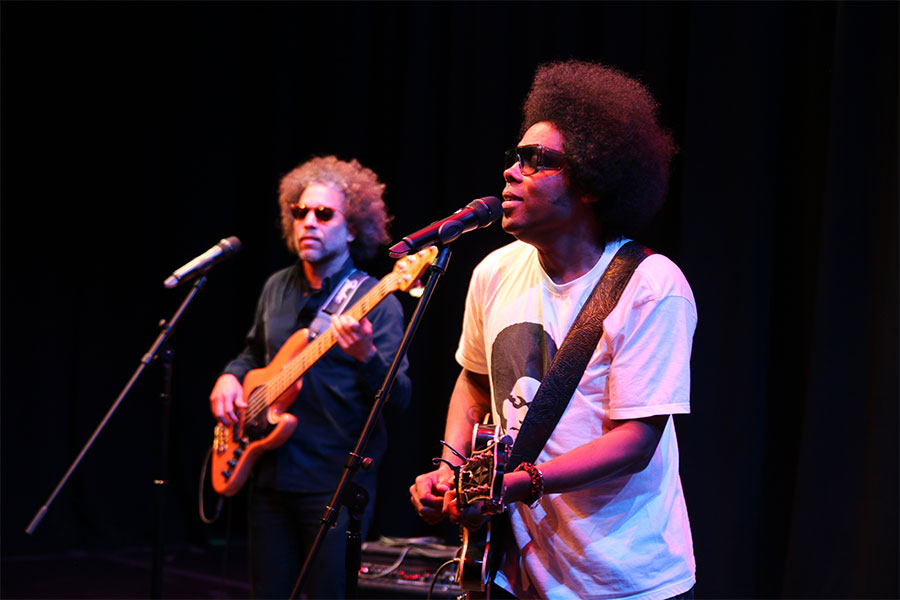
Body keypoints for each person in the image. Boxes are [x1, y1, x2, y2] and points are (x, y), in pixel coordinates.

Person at [410, 60, 697, 599]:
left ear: (591, 181)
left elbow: (635, 441)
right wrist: (449, 469)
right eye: (514, 158)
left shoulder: (652, 285)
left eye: (535, 160)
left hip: (622, 577)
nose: (510, 172)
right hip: (512, 570)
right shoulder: (493, 271)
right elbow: (473, 382)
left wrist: (518, 484)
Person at [210, 155, 411, 599]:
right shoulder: (276, 287)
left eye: (323, 213)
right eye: (300, 212)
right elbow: (253, 353)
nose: (309, 223)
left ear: (352, 228)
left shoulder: (378, 300)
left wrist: (366, 356)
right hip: (267, 473)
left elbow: (399, 398)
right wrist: (229, 377)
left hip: (333, 482)